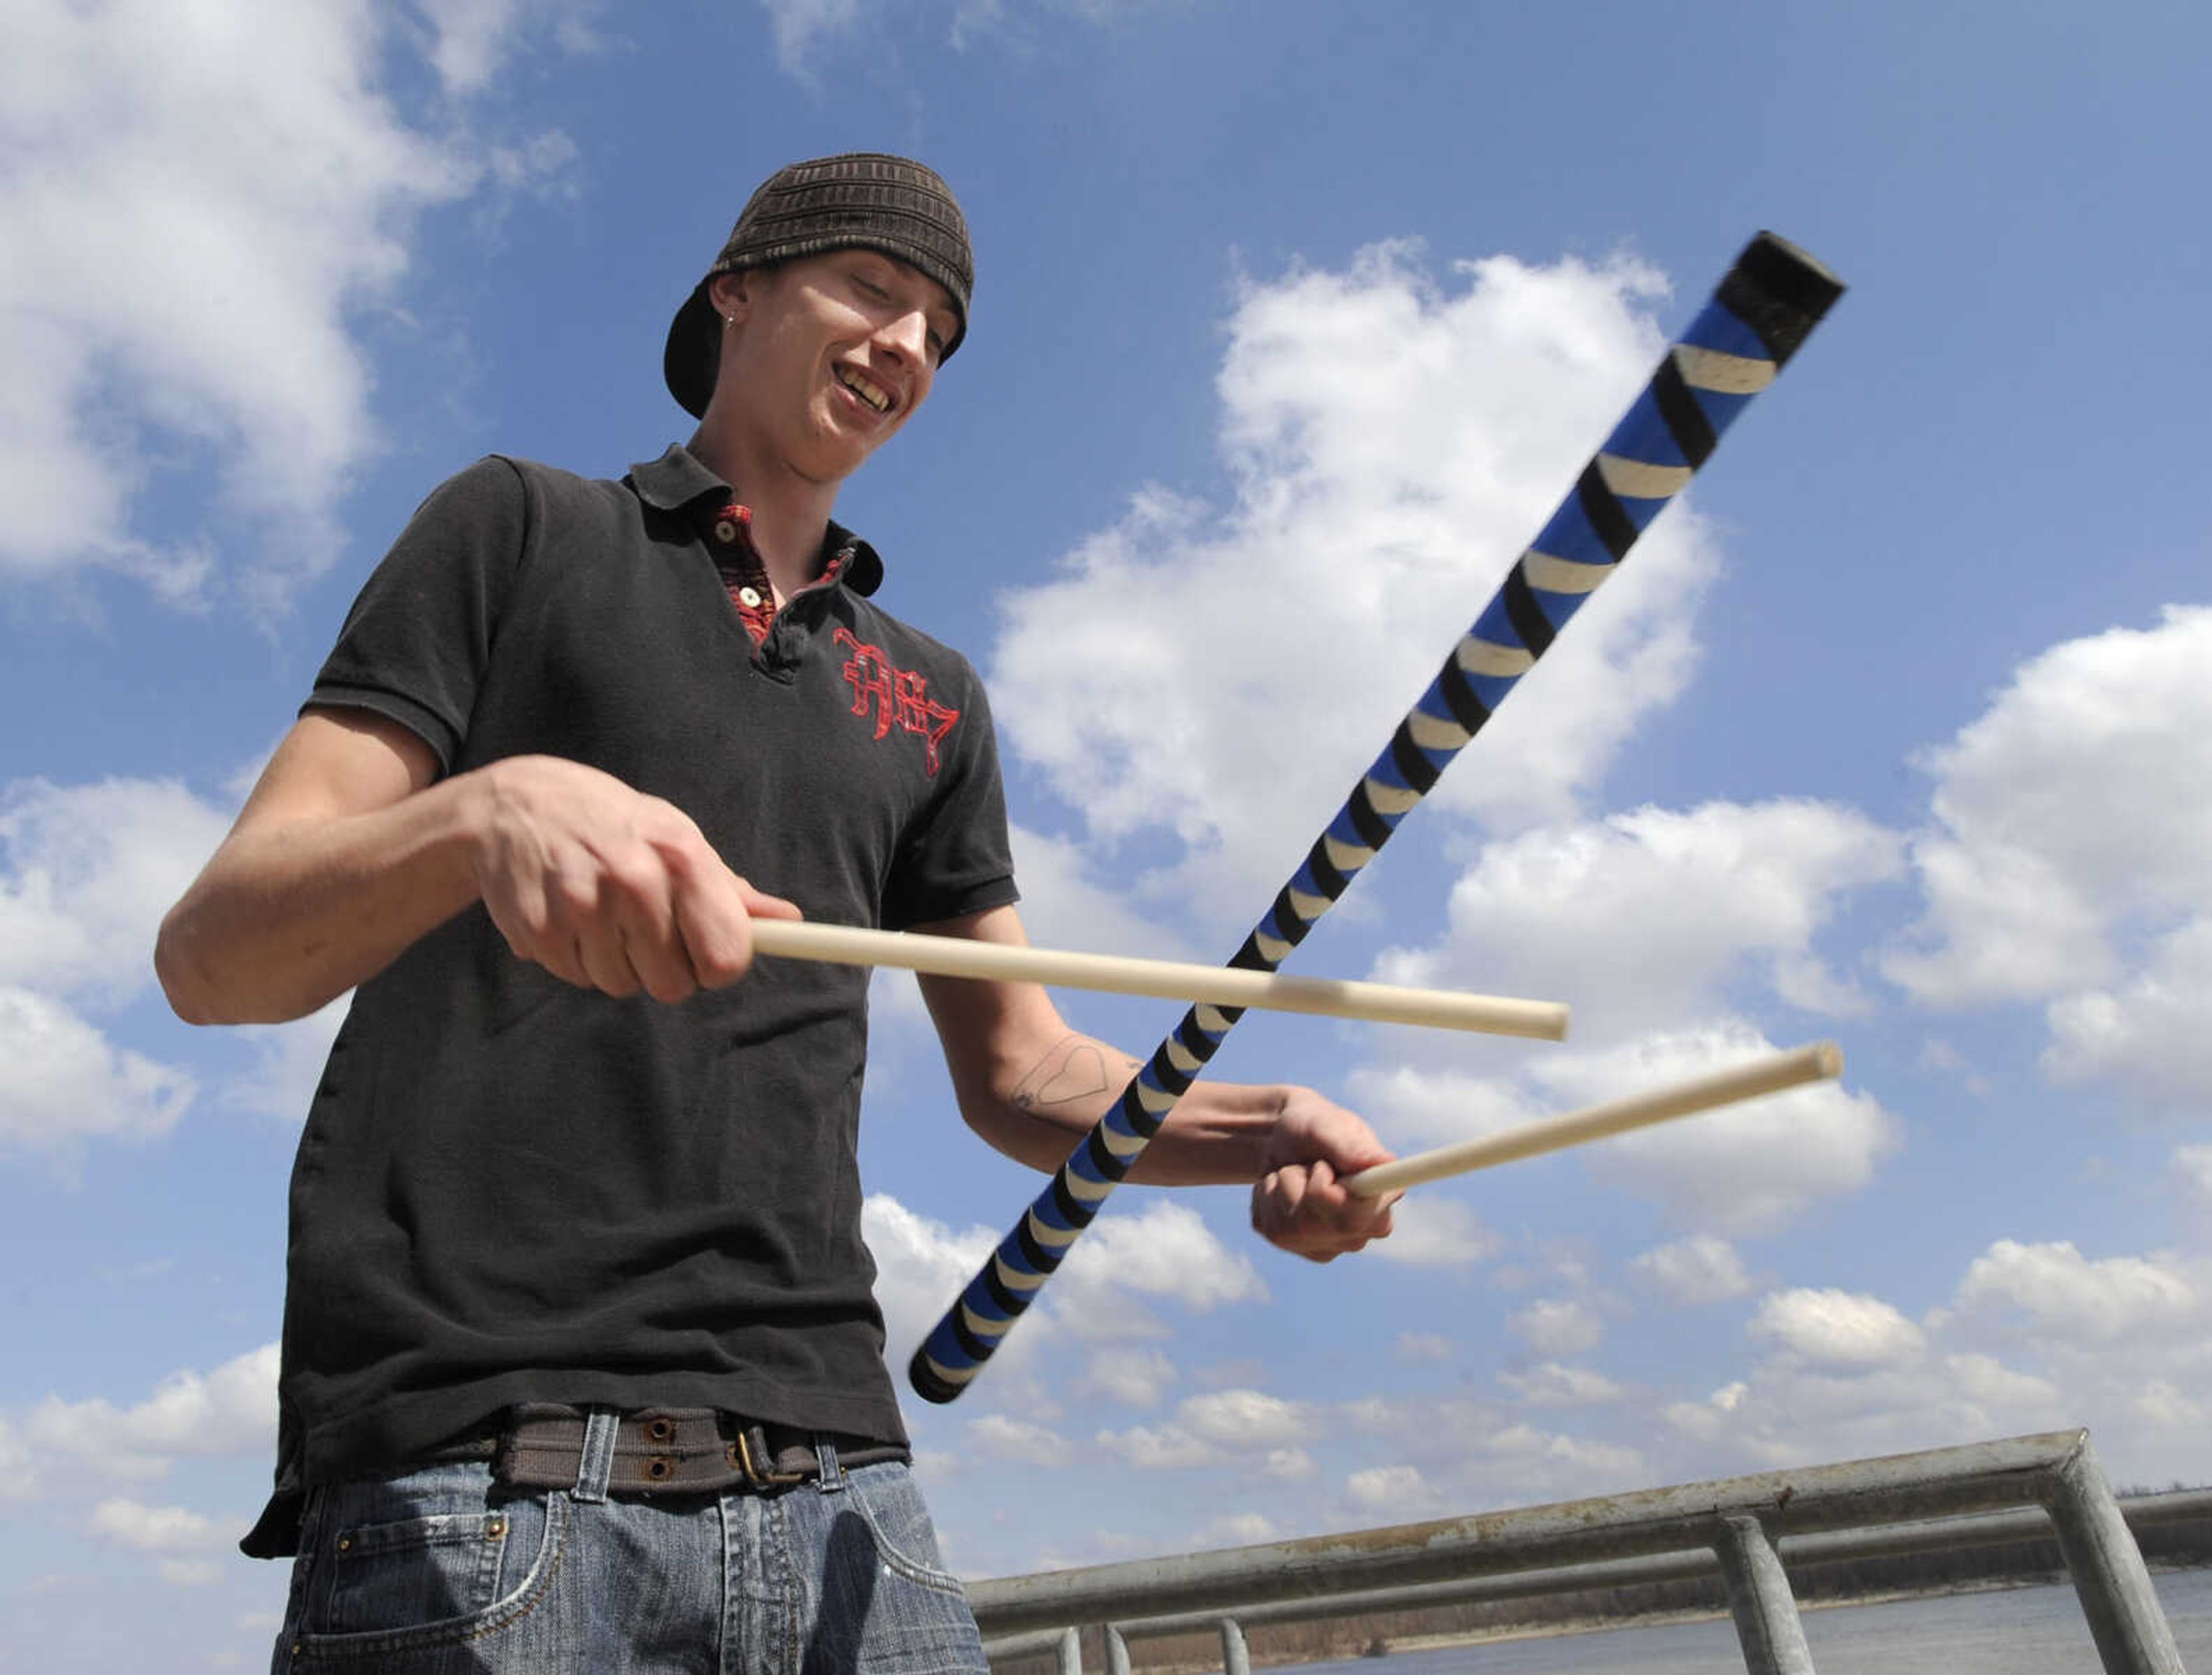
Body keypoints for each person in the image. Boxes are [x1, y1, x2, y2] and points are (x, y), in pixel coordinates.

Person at [157, 152, 1397, 1674]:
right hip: (485, 1474)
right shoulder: (520, 531)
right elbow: (211, 951)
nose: (907, 345)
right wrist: (485, 814)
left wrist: (1263, 1126)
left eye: (939, 328)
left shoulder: (934, 696)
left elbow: (1026, 1074)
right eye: (872, 288)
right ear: (734, 291)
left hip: (843, 1491)